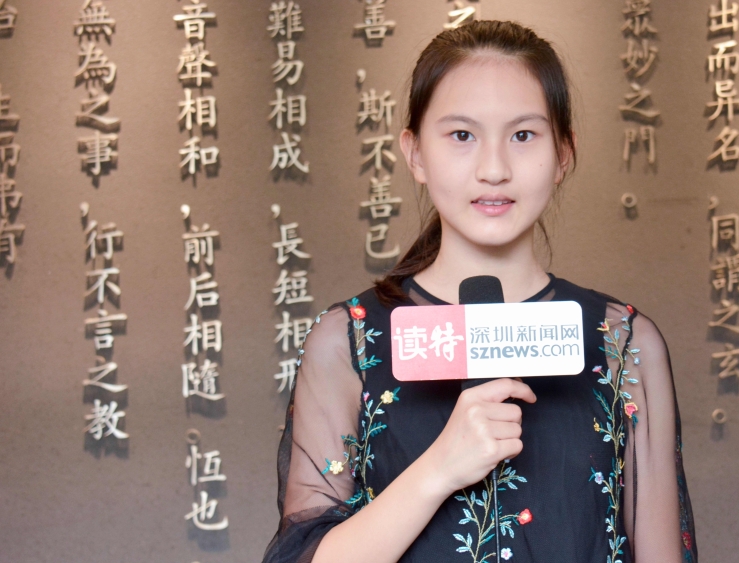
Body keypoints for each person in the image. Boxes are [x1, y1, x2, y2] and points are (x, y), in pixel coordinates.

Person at [262, 20, 697, 563]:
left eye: (523, 135)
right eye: (462, 136)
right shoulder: (349, 340)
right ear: (415, 153)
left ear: (564, 154)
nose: (494, 169)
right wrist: (441, 466)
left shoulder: (621, 342)